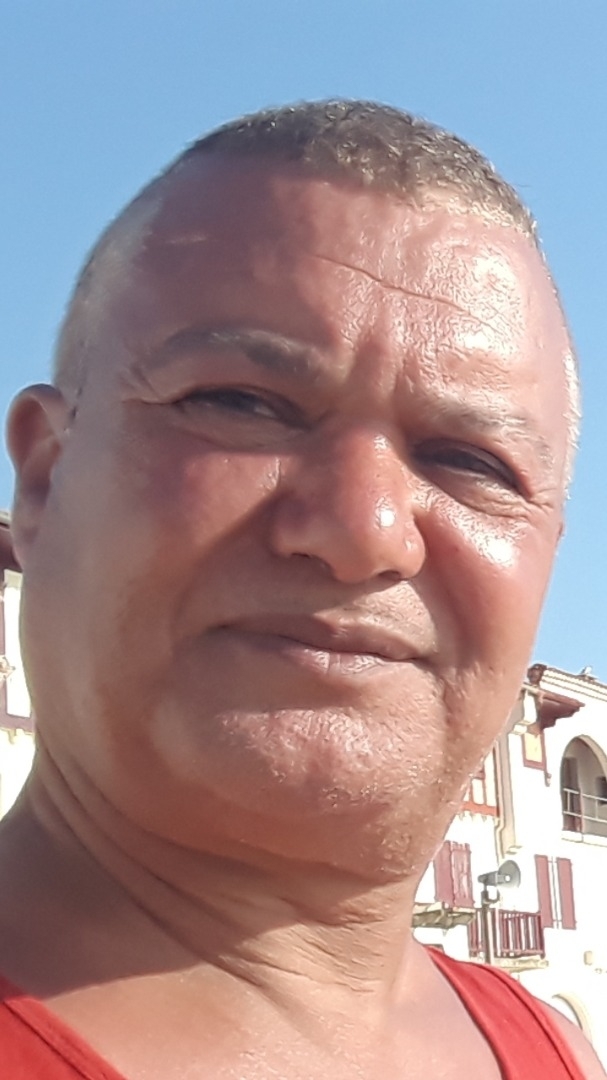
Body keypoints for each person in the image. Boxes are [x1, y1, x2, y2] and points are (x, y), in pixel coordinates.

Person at [0, 100, 602, 1080]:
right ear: (44, 479)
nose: (364, 530)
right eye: (242, 404)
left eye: (470, 461)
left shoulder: (556, 1048)